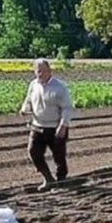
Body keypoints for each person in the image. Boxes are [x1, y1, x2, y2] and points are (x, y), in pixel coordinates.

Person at [19, 58, 73, 191]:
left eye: (42, 71)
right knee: (33, 152)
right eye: (38, 71)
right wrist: (24, 109)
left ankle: (61, 182)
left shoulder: (59, 87)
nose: (40, 74)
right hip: (37, 126)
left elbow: (67, 107)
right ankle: (48, 179)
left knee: (59, 157)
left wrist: (63, 125)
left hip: (55, 127)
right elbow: (28, 101)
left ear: (49, 71)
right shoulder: (33, 85)